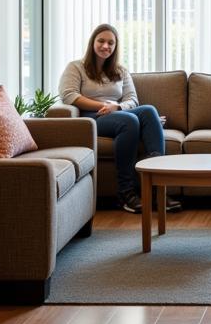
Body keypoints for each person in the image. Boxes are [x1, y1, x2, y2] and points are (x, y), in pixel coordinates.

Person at [59, 23, 178, 214]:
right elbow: (69, 95)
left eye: (111, 43)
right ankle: (126, 192)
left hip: (118, 113)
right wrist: (103, 106)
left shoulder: (120, 71)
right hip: (92, 117)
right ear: (93, 43)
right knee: (129, 121)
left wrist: (118, 107)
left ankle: (158, 189)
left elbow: (133, 99)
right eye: (101, 41)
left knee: (148, 111)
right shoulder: (76, 67)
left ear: (115, 47)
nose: (106, 46)